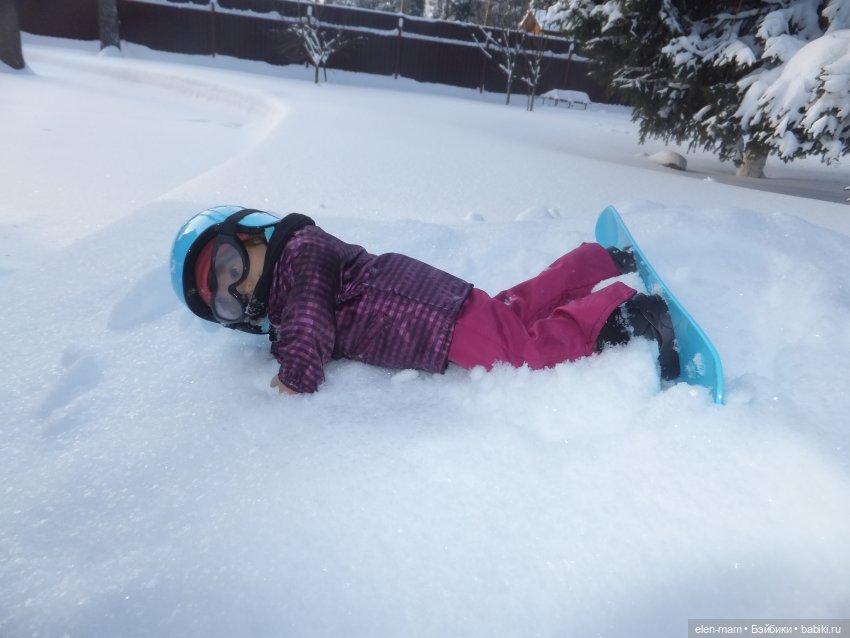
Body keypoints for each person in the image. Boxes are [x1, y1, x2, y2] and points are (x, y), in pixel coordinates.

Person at [170, 206, 678, 394]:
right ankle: (599, 261)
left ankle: (624, 315)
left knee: (522, 350)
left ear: (255, 235)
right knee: (514, 310)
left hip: (429, 320)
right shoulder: (293, 286)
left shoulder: (301, 254)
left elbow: (308, 330)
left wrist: (292, 378)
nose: (240, 290)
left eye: (232, 268)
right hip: (436, 307)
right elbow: (302, 321)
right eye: (227, 303)